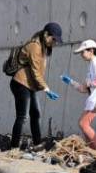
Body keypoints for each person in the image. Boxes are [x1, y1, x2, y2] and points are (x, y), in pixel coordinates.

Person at [10, 22, 62, 150]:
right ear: (46, 34)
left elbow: (37, 72)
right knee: (22, 117)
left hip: (30, 85)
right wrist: (46, 88)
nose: (54, 42)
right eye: (53, 39)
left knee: (35, 113)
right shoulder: (35, 46)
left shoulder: (43, 47)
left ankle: (37, 144)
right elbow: (35, 71)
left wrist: (43, 87)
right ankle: (14, 147)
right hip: (21, 83)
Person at [70, 40, 96, 152]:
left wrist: (89, 83)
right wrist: (71, 82)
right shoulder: (93, 63)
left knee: (83, 124)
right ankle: (93, 153)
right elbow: (84, 89)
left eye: (82, 52)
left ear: (91, 50)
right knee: (83, 124)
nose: (81, 55)